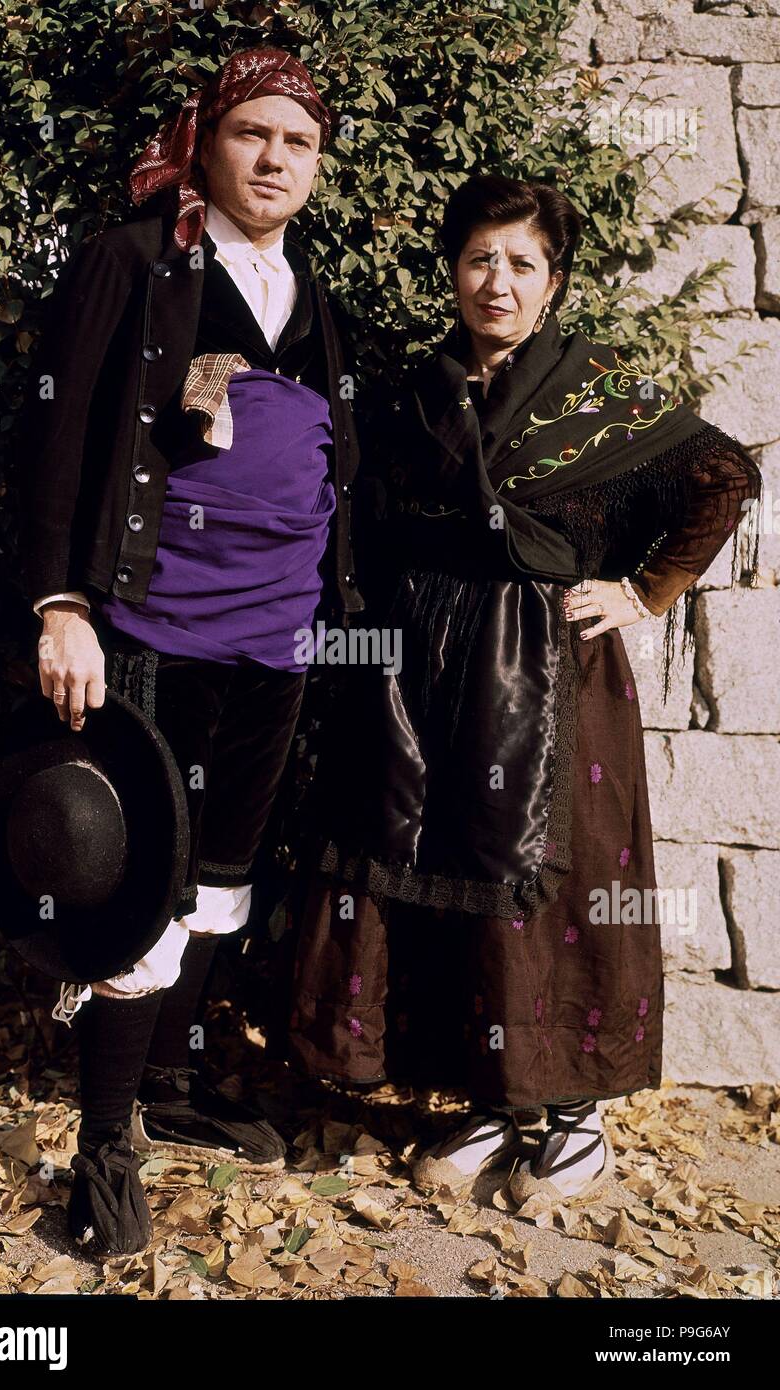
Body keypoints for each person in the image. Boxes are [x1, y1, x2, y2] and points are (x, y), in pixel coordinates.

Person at [285, 173, 762, 1206]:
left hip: (555, 676)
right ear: (453, 270)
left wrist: (646, 591)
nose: (496, 281)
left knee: (556, 886)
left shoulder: (596, 388)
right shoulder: (417, 394)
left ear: (553, 283)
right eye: (479, 259)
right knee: (447, 873)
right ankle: (496, 1096)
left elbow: (722, 475)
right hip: (427, 670)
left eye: (520, 263)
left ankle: (577, 1118)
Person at [15, 46, 364, 1253]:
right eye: (253, 135)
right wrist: (63, 605)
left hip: (276, 641)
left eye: (299, 144)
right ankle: (102, 1146)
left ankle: (170, 1083)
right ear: (209, 141)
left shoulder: (304, 290)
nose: (274, 160)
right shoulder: (132, 262)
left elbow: (271, 427)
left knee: (221, 875)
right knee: (140, 877)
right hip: (155, 629)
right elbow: (59, 435)